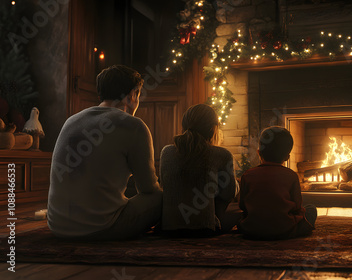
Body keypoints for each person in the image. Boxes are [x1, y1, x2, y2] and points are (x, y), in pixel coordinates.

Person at [47, 65, 162, 241]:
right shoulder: (134, 125)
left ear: (100, 94)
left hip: (57, 225)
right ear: (133, 95)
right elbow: (148, 188)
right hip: (101, 227)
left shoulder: (71, 121)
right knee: (160, 197)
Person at [160, 104, 240, 236]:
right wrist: (237, 185)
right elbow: (228, 194)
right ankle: (212, 221)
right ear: (213, 128)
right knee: (230, 190)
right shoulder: (222, 154)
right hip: (204, 230)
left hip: (168, 229)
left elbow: (164, 185)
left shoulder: (166, 152)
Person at [238, 126, 316, 240]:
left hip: (252, 230)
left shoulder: (247, 175)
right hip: (285, 230)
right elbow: (298, 206)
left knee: (238, 216)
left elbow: (242, 205)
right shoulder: (292, 176)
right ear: (287, 157)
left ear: (259, 153)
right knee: (311, 209)